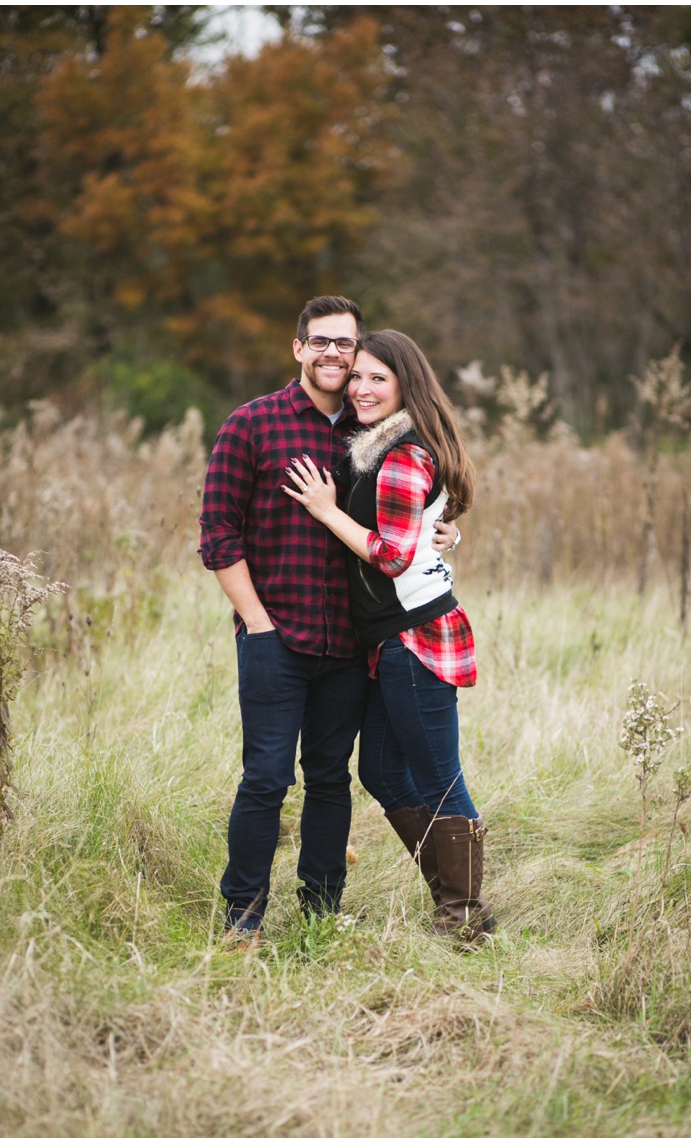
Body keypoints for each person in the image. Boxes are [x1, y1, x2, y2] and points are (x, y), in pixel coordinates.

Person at [198, 296, 460, 946]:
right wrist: (255, 620)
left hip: (349, 644)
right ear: (298, 348)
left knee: (330, 778)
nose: (334, 355)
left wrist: (436, 529)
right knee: (265, 777)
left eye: (345, 344)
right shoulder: (251, 425)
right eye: (320, 342)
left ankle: (320, 914)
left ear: (358, 350)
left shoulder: (366, 431)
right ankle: (242, 919)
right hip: (273, 635)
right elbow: (217, 534)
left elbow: (400, 511)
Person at [282, 330, 493, 941]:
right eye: (357, 377)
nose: (362, 388)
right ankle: (454, 893)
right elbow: (423, 525)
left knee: (439, 776)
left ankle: (463, 918)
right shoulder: (373, 447)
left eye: (378, 378)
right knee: (377, 768)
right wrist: (443, 529)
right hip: (386, 641)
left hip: (415, 637)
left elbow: (394, 556)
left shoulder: (402, 453)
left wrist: (326, 510)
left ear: (406, 385)